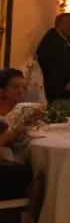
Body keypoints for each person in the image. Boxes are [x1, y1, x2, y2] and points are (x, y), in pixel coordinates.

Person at [0, 69, 41, 199]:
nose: (21, 90)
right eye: (15, 86)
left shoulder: (17, 115)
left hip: (19, 166)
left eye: (24, 87)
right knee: (42, 176)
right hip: (7, 175)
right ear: (1, 91)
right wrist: (17, 126)